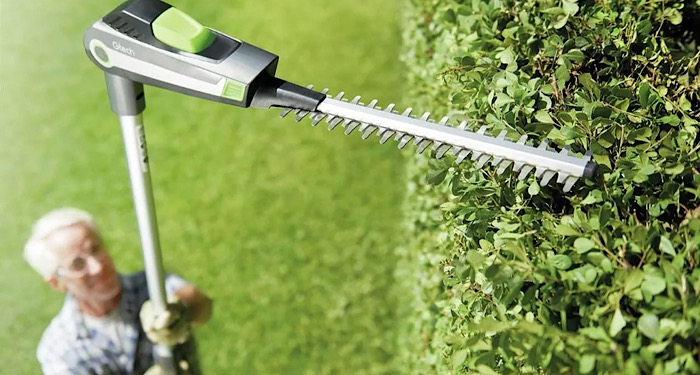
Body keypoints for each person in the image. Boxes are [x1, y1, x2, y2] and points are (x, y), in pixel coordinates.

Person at [23, 208, 213, 374]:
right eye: (78, 264)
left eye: (96, 248)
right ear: (57, 283)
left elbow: (200, 303)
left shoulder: (152, 285)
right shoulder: (58, 349)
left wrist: (179, 308)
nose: (97, 266)